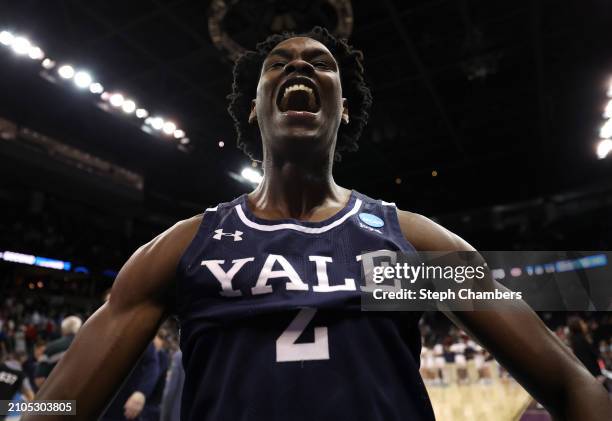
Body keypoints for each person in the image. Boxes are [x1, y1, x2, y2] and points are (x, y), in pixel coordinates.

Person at [25, 26, 611, 420]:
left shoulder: (411, 242)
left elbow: (570, 382)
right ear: (254, 107)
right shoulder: (182, 247)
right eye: (277, 64)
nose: (299, 65)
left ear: (344, 105)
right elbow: (54, 407)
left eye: (321, 64)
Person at [33, 316, 81, 388]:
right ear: (81, 328)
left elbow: (39, 380)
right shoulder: (91, 346)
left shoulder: (50, 348)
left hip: (61, 395)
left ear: (63, 330)